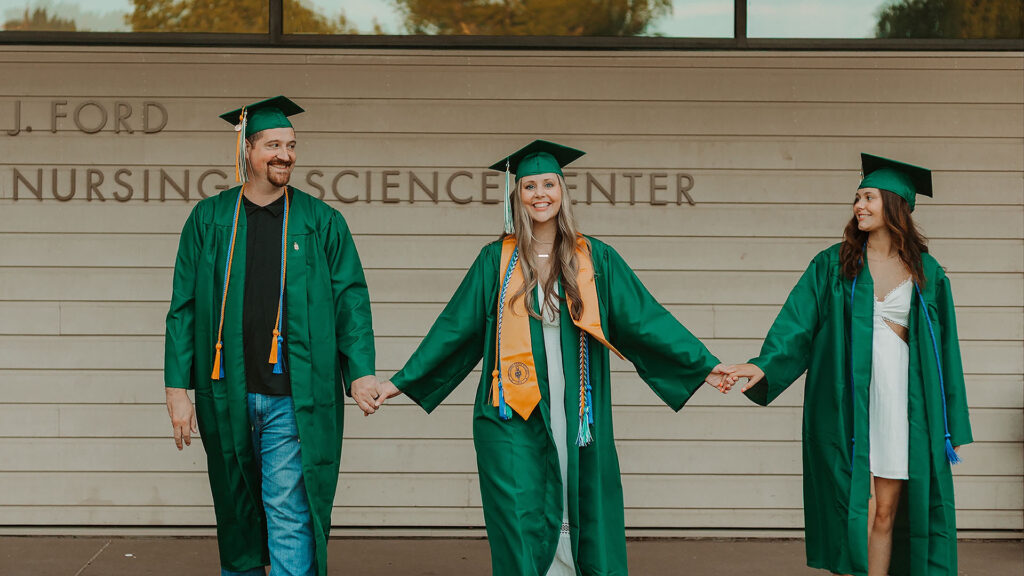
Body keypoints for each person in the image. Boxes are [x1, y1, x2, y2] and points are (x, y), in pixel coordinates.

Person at [369, 140, 733, 575]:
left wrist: (703, 366)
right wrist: (398, 383)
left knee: (578, 495)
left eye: (548, 184)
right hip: (510, 410)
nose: (539, 194)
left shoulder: (594, 257)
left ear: (562, 191)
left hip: (577, 403)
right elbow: (454, 330)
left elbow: (646, 320)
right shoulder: (495, 260)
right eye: (528, 186)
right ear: (515, 195)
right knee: (520, 508)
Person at [725, 154, 973, 576]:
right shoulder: (833, 265)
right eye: (857, 197)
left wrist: (950, 419)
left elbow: (946, 351)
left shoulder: (927, 272)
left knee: (885, 512)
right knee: (861, 505)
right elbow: (797, 325)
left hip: (903, 404)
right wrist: (763, 365)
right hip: (849, 401)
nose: (859, 205)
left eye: (869, 197)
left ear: (895, 204)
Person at [163, 96, 380, 576]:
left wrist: (361, 373)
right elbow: (184, 308)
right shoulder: (209, 219)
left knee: (287, 511)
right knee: (236, 512)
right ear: (247, 149)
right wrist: (177, 389)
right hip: (226, 394)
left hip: (294, 397)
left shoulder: (321, 221)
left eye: (291, 145)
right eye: (274, 144)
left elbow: (351, 302)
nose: (286, 154)